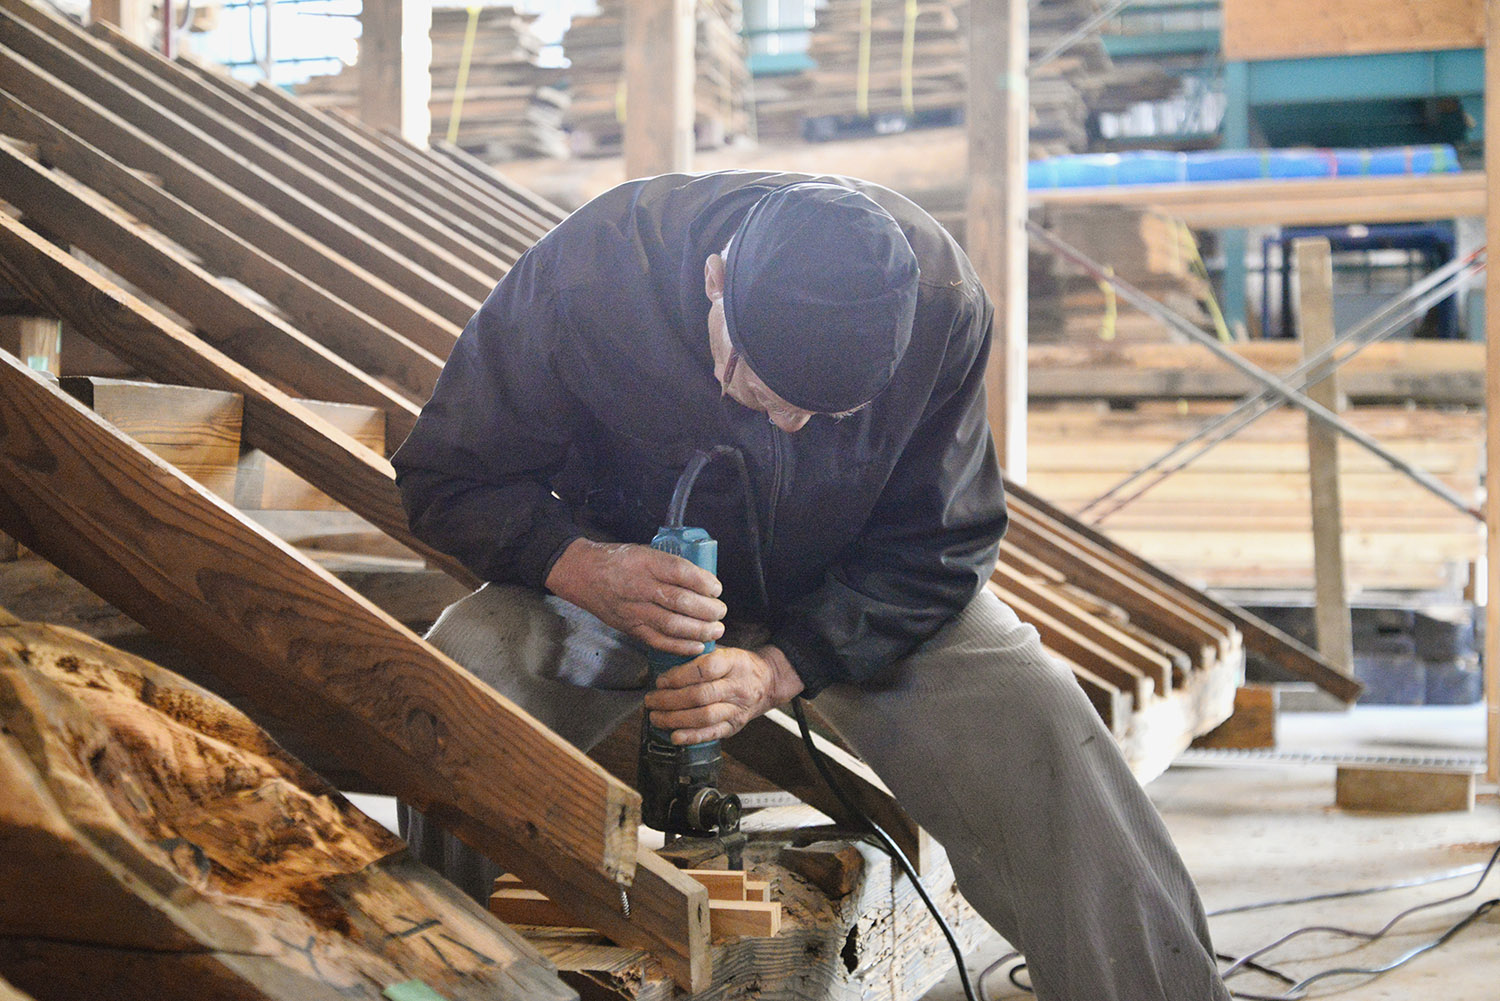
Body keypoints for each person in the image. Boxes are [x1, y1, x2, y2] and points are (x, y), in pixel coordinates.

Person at [392, 170, 1230, 1001]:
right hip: (622, 589)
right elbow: (446, 476)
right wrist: (584, 566)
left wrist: (780, 667)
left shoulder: (940, 302)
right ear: (714, 281)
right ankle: (454, 981)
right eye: (763, 393)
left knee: (1040, 717)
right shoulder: (590, 275)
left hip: (848, 596)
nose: (788, 424)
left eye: (822, 417)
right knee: (464, 676)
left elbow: (940, 542)